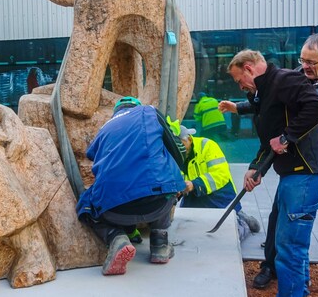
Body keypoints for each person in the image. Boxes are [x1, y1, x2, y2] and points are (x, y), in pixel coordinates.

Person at [221, 34, 318, 297]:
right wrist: (256, 168)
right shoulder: (271, 87)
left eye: (239, 80)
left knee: (292, 244)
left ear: (249, 69)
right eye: (302, 60)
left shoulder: (285, 79)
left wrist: (286, 137)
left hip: (309, 172)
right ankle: (296, 287)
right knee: (289, 241)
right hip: (295, 172)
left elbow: (317, 108)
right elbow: (267, 130)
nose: (241, 86)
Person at [76, 96, 186, 275]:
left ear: (116, 112)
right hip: (158, 203)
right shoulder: (148, 111)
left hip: (115, 212)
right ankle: (160, 244)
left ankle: (116, 238)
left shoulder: (104, 128)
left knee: (85, 204)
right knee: (166, 178)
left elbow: (91, 155)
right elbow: (177, 150)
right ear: (137, 106)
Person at [169, 121, 260, 241]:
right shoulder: (175, 155)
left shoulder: (208, 146)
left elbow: (220, 174)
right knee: (189, 230)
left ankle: (243, 221)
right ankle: (239, 216)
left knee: (231, 234)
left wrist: (194, 184)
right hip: (195, 198)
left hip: (219, 195)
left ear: (189, 139)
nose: (180, 151)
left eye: (181, 146)